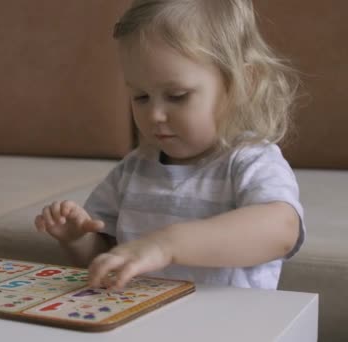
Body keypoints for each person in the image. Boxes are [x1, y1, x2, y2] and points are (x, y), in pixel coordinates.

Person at [34, 0, 304, 291]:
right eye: (141, 97)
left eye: (177, 96)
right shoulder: (134, 169)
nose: (155, 115)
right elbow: (107, 259)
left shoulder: (250, 161)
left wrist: (167, 245)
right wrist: (77, 240)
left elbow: (281, 231)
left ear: (241, 85)